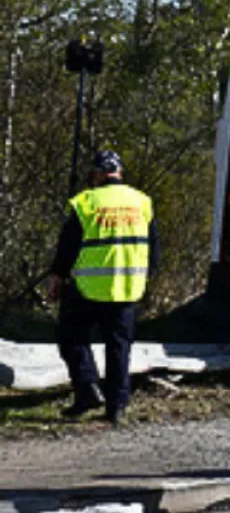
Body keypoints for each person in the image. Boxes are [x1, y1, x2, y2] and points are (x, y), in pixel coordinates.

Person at [46, 150, 159, 426]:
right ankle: (116, 406)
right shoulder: (141, 202)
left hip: (87, 287)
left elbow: (67, 246)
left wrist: (57, 276)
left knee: (71, 339)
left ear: (97, 174)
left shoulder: (86, 202)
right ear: (120, 173)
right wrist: (148, 277)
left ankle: (87, 390)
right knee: (119, 348)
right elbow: (154, 249)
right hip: (127, 288)